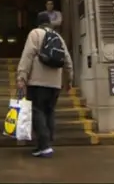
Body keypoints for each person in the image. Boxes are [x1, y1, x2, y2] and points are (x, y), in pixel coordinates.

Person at [16, 12, 73, 158]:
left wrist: (22, 77)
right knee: (50, 111)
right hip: (55, 84)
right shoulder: (58, 36)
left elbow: (27, 55)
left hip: (37, 82)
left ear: (38, 22)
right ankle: (44, 145)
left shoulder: (35, 33)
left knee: (37, 111)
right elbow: (67, 59)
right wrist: (69, 79)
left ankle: (45, 145)